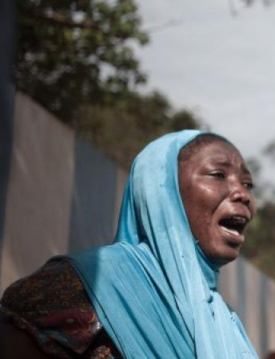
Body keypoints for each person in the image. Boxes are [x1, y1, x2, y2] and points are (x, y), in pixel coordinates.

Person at [0, 130, 258, 358]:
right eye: (218, 174)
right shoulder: (82, 285)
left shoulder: (223, 320)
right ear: (163, 190)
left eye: (248, 184)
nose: (243, 194)